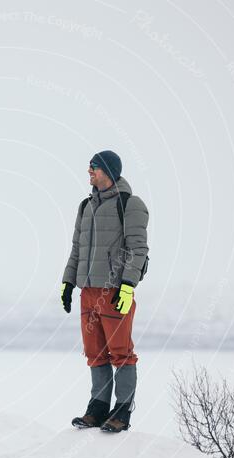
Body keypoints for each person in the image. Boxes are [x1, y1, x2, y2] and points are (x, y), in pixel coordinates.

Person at [60, 150, 149, 432]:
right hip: (88, 291)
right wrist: (68, 282)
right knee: (95, 352)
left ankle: (121, 411)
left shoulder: (130, 204)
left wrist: (127, 286)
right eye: (89, 168)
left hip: (114, 292)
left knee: (121, 352)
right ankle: (97, 409)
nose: (89, 172)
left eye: (94, 168)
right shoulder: (85, 206)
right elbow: (77, 249)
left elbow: (138, 249)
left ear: (109, 172)